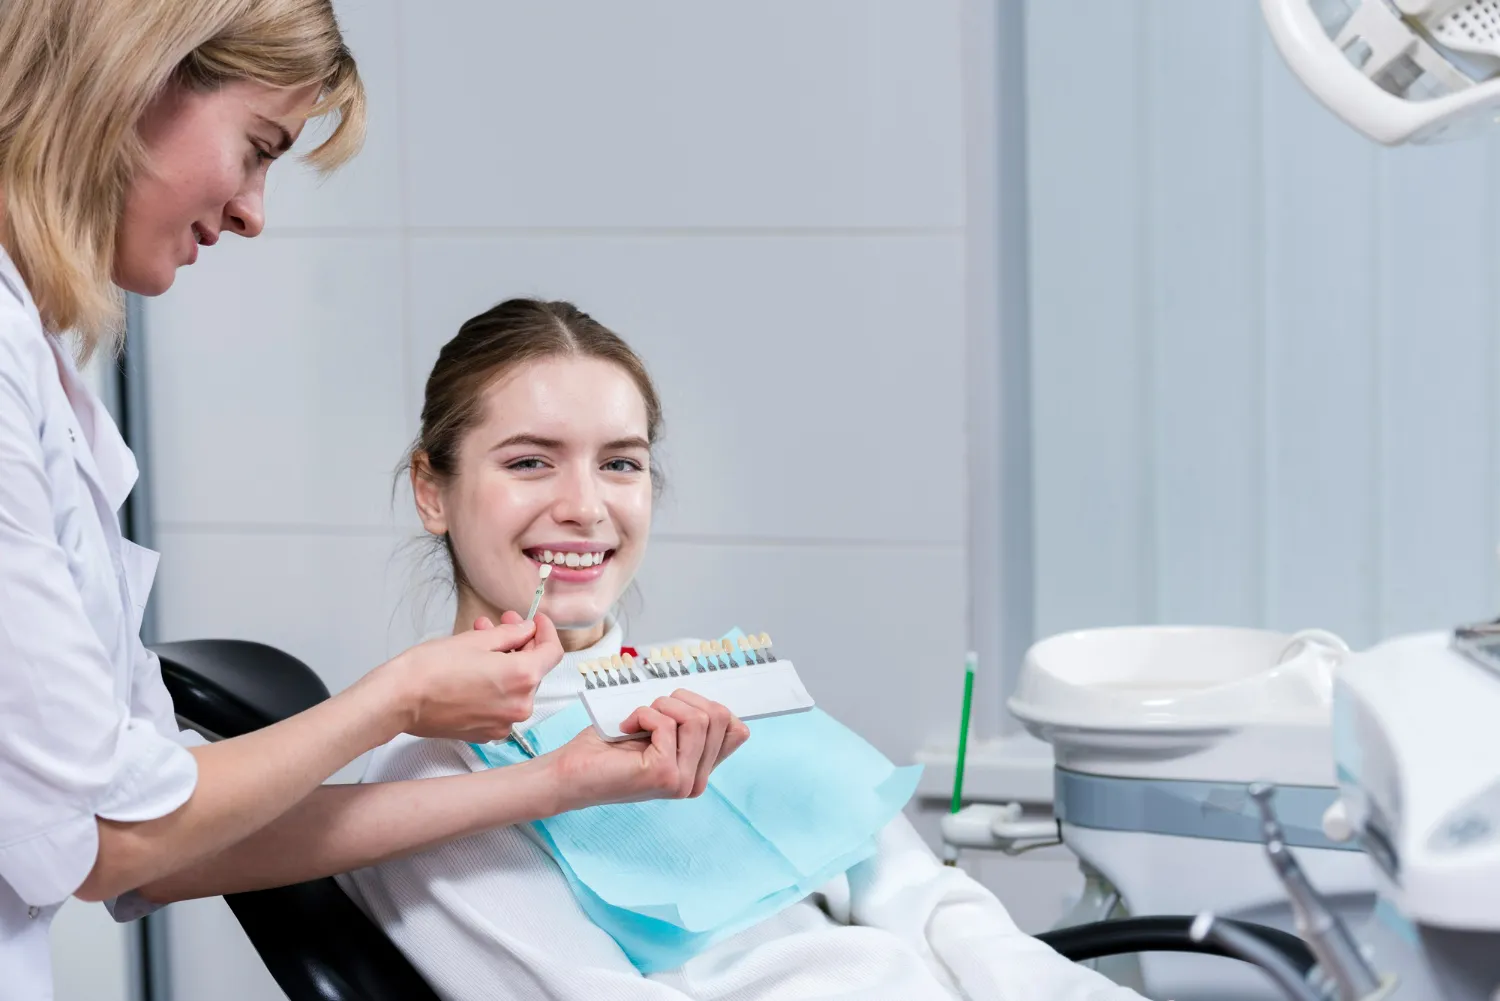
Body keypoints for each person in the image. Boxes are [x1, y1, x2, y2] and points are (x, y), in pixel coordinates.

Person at [0, 4, 744, 996]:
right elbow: (111, 835)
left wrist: (563, 782)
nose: (256, 210)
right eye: (259, 148)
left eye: (622, 461)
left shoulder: (42, 374)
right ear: (135, 80)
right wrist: (394, 700)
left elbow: (153, 833)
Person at [340, 298, 1145, 1001]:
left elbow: (927, 902)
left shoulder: (718, 683)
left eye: (621, 462)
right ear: (432, 490)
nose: (586, 506)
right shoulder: (430, 779)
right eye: (528, 462)